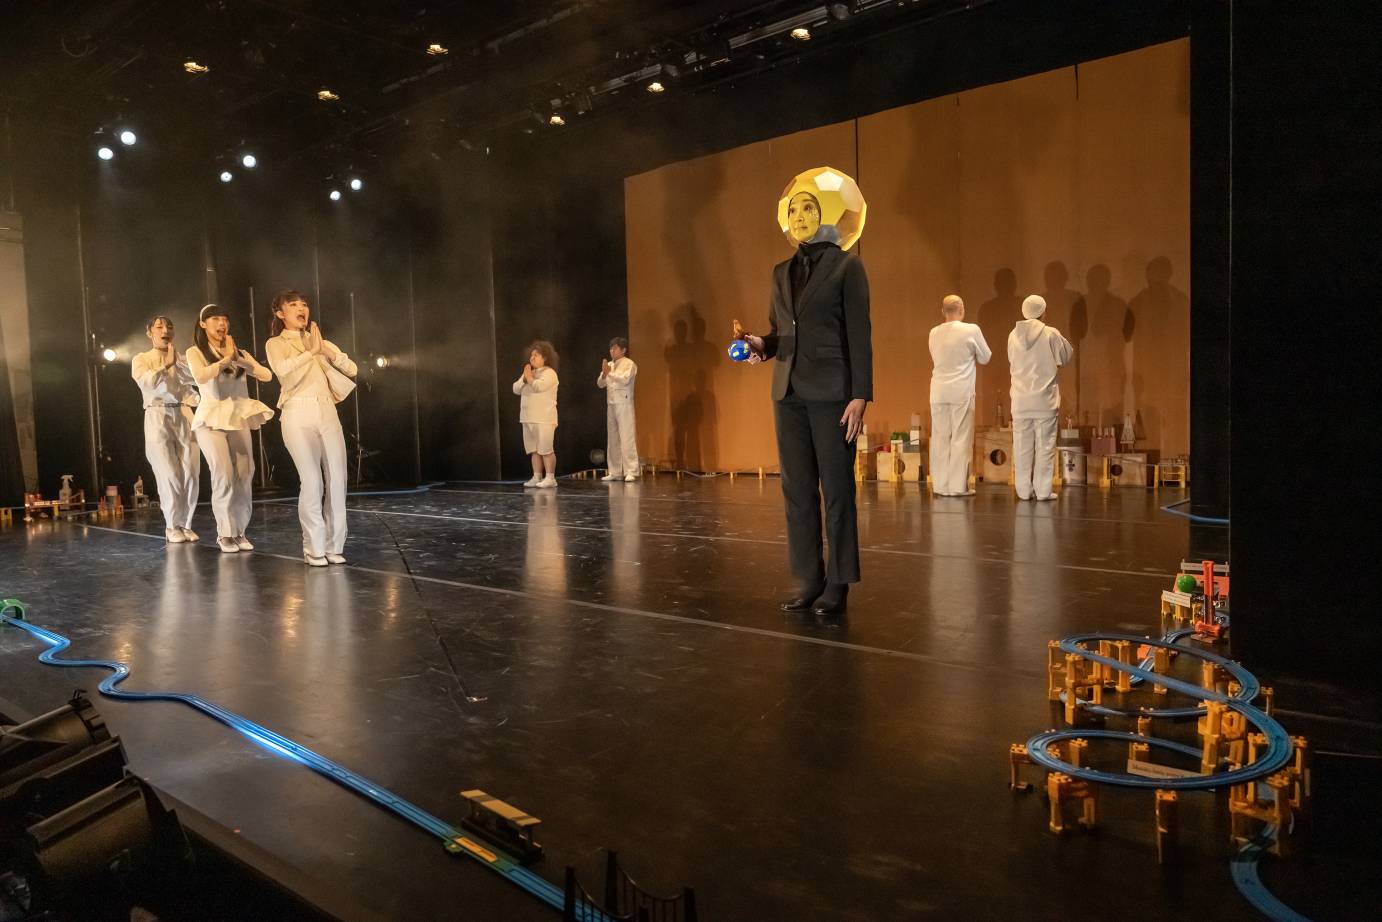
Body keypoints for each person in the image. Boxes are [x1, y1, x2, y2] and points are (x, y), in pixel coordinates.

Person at [739, 167, 871, 616]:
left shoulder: (848, 266)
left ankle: (839, 582)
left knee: (837, 491)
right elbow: (782, 333)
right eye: (793, 209)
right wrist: (761, 345)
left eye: (808, 208)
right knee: (797, 491)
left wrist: (861, 394)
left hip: (834, 394)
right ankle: (809, 578)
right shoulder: (780, 272)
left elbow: (859, 334)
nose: (799, 216)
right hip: (788, 393)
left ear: (825, 214)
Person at [265, 290, 358, 567]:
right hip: (297, 411)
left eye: (304, 304)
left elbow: (352, 369)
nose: (301, 308)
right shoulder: (275, 343)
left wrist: (324, 349)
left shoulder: (320, 341)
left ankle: (334, 545)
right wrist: (311, 353)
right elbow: (282, 371)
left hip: (327, 410)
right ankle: (314, 547)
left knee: (338, 478)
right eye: (293, 305)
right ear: (280, 313)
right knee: (312, 480)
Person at [186, 304, 274, 552]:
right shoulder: (195, 351)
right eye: (215, 319)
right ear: (203, 324)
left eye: (225, 319)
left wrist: (240, 360)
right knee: (223, 473)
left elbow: (266, 375)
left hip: (237, 415)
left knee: (245, 472)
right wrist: (225, 360)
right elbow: (201, 377)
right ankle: (225, 533)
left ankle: (239, 531)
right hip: (211, 418)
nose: (221, 323)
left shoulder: (239, 353)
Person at [130, 315, 201, 543]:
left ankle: (186, 524)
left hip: (184, 413)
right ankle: (172, 525)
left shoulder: (182, 359)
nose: (165, 330)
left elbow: (198, 381)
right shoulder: (141, 359)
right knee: (169, 473)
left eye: (169, 326)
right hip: (157, 414)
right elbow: (146, 382)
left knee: (191, 472)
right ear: (149, 332)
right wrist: (166, 364)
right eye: (159, 326)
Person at [1008, 294, 1074, 501]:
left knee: (1021, 446)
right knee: (1045, 446)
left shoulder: (1013, 335)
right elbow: (1066, 355)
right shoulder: (1050, 333)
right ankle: (1043, 491)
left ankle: (1023, 491)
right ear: (1043, 312)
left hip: (1020, 400)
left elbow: (1012, 360)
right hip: (1044, 399)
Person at [928, 295, 991, 496]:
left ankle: (940, 486)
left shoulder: (933, 332)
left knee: (940, 439)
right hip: (960, 391)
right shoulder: (971, 330)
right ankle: (957, 487)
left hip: (938, 391)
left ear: (942, 311)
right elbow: (986, 357)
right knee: (960, 438)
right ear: (962, 309)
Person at [513, 341, 559, 489]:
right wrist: (525, 378)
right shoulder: (529, 373)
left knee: (546, 449)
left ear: (545, 357)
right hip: (528, 417)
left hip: (544, 418)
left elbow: (539, 387)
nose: (532, 358)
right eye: (531, 355)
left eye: (536, 355)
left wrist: (529, 378)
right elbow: (515, 389)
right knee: (534, 450)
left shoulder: (550, 373)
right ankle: (537, 476)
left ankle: (550, 478)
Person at [598, 336, 639, 482]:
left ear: (623, 350)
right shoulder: (609, 365)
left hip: (624, 403)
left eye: (615, 348)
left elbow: (625, 379)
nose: (611, 351)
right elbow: (600, 384)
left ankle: (631, 471)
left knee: (627, 437)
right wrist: (604, 374)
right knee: (613, 438)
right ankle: (615, 471)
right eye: (610, 348)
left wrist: (609, 373)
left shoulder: (629, 364)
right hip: (611, 404)